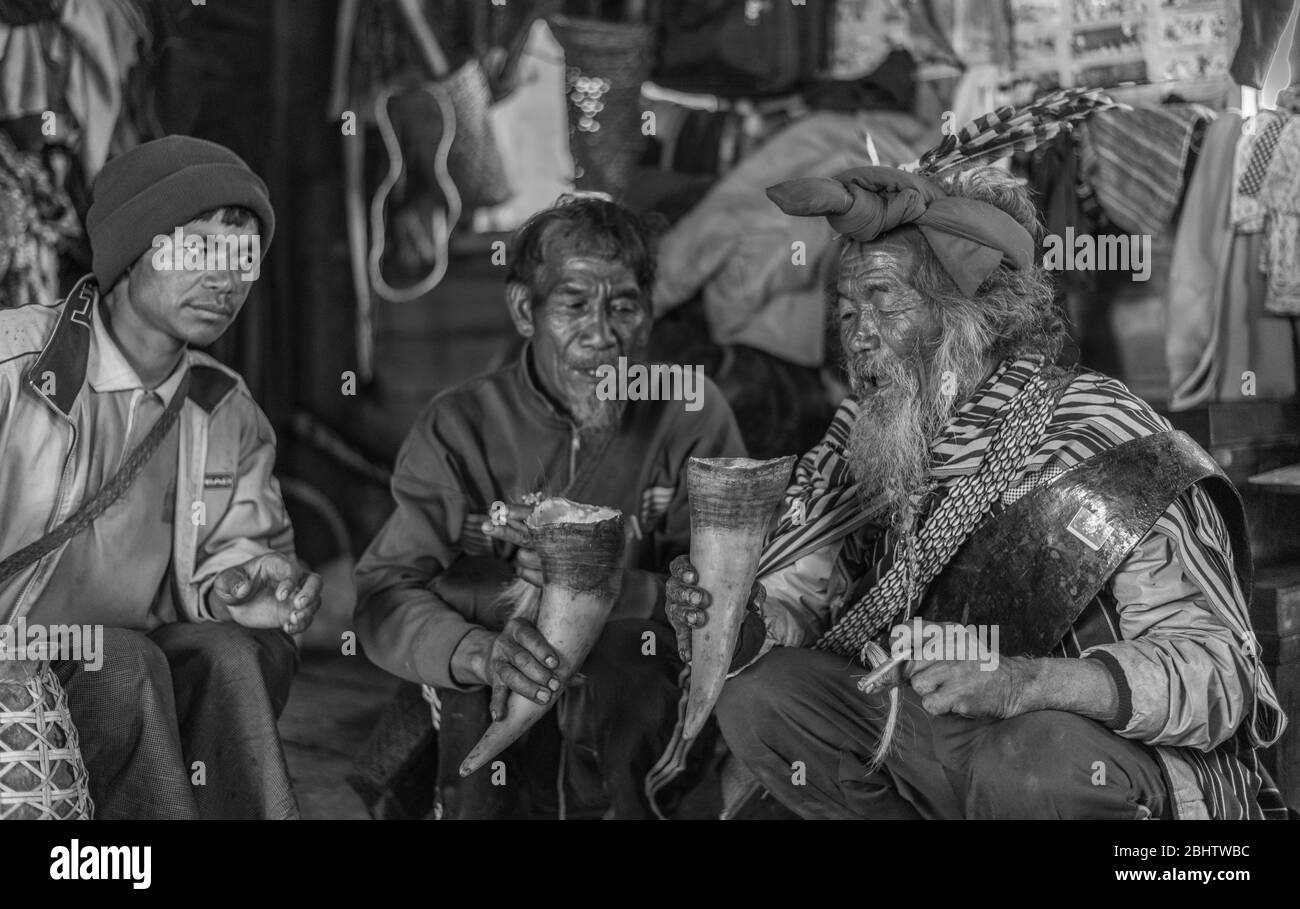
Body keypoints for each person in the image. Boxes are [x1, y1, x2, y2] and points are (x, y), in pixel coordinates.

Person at [666, 163, 1288, 820]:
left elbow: (1220, 675)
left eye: (884, 300)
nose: (857, 334)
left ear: (970, 320)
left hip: (1080, 763)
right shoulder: (867, 439)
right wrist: (740, 624)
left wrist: (1022, 683)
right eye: (847, 310)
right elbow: (802, 604)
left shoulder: (1100, 437)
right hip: (937, 746)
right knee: (761, 696)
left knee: (1027, 760)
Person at [354, 195, 745, 819]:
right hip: (492, 671)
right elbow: (385, 594)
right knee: (488, 650)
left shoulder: (690, 412)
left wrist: (616, 590)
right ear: (523, 310)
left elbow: (723, 594)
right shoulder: (461, 426)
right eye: (572, 304)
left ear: (647, 318)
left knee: (628, 665)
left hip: (633, 674)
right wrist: (473, 651)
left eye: (624, 306)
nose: (601, 334)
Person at [0, 135, 323, 819]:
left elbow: (232, 554)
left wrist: (242, 584)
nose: (225, 280)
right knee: (122, 663)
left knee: (235, 655)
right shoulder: (13, 367)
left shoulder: (224, 406)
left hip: (115, 665)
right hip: (15, 662)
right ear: (133, 249)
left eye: (243, 260)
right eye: (199, 249)